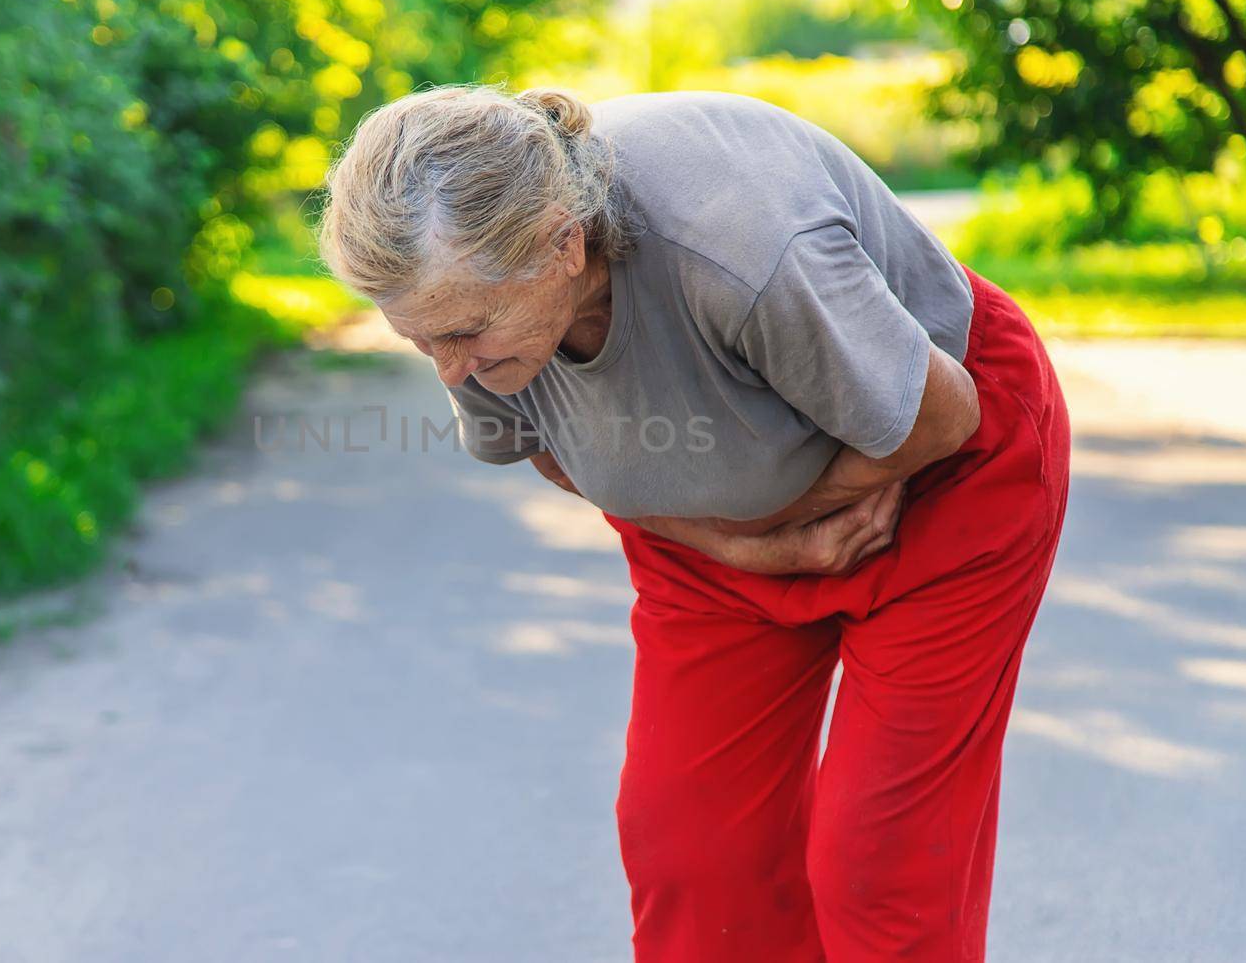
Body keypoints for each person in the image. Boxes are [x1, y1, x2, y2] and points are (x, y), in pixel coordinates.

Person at [313, 83, 1071, 963]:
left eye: (466, 331)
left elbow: (946, 416)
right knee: (692, 850)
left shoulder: (740, 246)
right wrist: (745, 541)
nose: (451, 371)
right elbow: (561, 454)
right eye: (420, 341)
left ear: (564, 245)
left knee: (879, 862)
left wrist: (780, 521)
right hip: (713, 533)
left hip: (941, 479)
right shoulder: (481, 336)